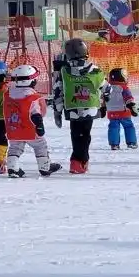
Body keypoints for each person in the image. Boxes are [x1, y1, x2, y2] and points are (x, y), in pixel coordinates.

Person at [52, 37, 104, 174]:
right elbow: (105, 86)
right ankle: (82, 160)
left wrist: (57, 112)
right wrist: (106, 101)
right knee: (85, 134)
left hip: (72, 108)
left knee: (75, 134)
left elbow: (58, 92)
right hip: (90, 108)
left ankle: (75, 161)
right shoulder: (94, 70)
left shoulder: (64, 72)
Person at [3, 63, 60, 178]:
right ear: (30, 81)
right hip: (30, 129)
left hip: (13, 128)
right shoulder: (32, 97)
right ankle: (45, 167)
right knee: (40, 146)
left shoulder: (8, 95)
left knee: (15, 147)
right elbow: (36, 114)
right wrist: (39, 126)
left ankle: (12, 168)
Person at [101, 67, 138, 151]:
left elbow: (103, 99)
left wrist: (102, 108)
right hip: (123, 112)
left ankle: (114, 144)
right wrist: (131, 106)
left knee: (113, 127)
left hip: (112, 112)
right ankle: (131, 143)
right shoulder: (123, 88)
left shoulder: (107, 88)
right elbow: (128, 98)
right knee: (129, 126)